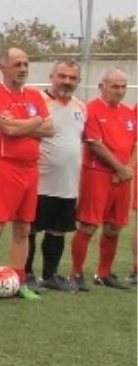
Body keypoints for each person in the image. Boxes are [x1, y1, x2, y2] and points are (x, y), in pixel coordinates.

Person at [0, 48, 52, 302]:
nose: (23, 68)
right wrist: (34, 122)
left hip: (30, 168)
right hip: (3, 167)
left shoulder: (34, 96)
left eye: (26, 63)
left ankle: (19, 281)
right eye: (17, 63)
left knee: (23, 229)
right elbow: (7, 129)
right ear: (3, 67)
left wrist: (24, 124)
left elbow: (50, 129)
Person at [69, 69, 135, 289]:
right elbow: (95, 144)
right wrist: (119, 168)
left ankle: (104, 273)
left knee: (114, 227)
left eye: (123, 86)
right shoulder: (92, 110)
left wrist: (127, 169)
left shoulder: (129, 113)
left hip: (123, 178)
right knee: (88, 225)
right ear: (102, 86)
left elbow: (136, 144)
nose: (120, 91)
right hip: (97, 175)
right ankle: (76, 273)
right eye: (115, 86)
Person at [24, 60, 85, 290]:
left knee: (58, 229)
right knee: (30, 228)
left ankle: (50, 276)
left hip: (68, 181)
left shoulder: (81, 107)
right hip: (39, 179)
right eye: (62, 76)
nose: (66, 82)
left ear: (78, 81)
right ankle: (26, 273)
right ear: (52, 76)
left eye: (72, 78)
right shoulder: (38, 102)